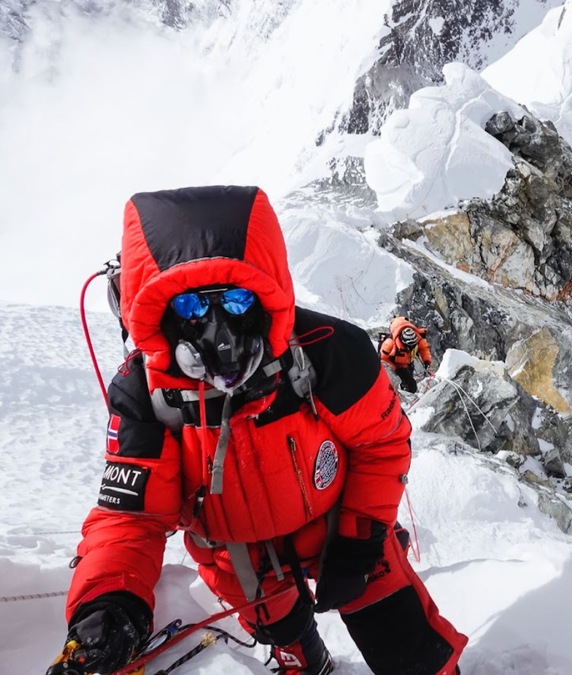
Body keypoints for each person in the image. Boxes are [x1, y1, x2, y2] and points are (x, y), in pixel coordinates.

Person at [59, 186, 466, 675]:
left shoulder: (327, 350)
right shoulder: (145, 393)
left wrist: (360, 539)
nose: (217, 330)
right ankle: (308, 662)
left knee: (407, 647)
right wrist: (107, 606)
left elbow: (381, 444)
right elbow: (132, 517)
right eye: (190, 308)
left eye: (235, 301)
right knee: (288, 638)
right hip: (237, 559)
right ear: (158, 312)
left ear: (263, 294)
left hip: (341, 524)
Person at [379, 317, 432, 394]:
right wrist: (395, 369)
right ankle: (405, 394)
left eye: (413, 344)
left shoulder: (418, 337)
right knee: (411, 386)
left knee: (409, 382)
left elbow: (423, 348)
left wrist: (427, 361)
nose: (411, 347)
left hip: (408, 362)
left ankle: (406, 392)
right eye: (409, 345)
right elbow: (383, 359)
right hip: (397, 365)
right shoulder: (389, 344)